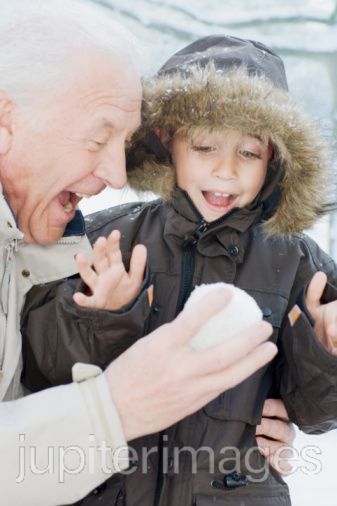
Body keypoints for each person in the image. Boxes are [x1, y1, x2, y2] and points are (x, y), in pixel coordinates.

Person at [21, 35, 337, 506]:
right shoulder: (111, 241)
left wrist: (327, 350)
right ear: (169, 141)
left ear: (275, 156)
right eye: (206, 146)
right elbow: (41, 371)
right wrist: (96, 316)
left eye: (248, 153)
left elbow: (314, 413)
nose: (226, 171)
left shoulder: (298, 264)